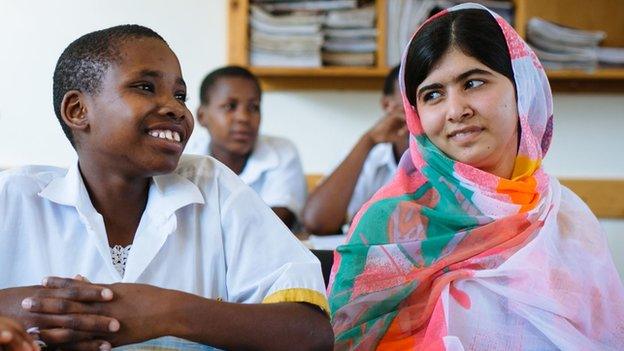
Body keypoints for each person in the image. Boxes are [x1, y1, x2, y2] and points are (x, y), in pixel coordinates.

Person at [0, 25, 332, 351]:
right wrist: (39, 308)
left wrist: (167, 311)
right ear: (78, 110)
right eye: (145, 87)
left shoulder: (212, 186)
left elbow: (311, 333)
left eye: (180, 95)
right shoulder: (15, 196)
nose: (176, 108)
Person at [327, 4, 624, 350]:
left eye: (473, 82)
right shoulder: (389, 224)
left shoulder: (566, 218)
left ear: (521, 89)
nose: (456, 111)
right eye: (433, 94)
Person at [186, 66, 306, 229]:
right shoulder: (184, 157)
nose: (243, 117)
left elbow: (279, 221)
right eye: (230, 106)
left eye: (253, 107)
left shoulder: (282, 152)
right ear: (201, 116)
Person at [302, 66, 408, 234]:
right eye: (410, 96)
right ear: (388, 105)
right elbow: (316, 222)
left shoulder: (451, 153)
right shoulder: (372, 155)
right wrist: (369, 140)